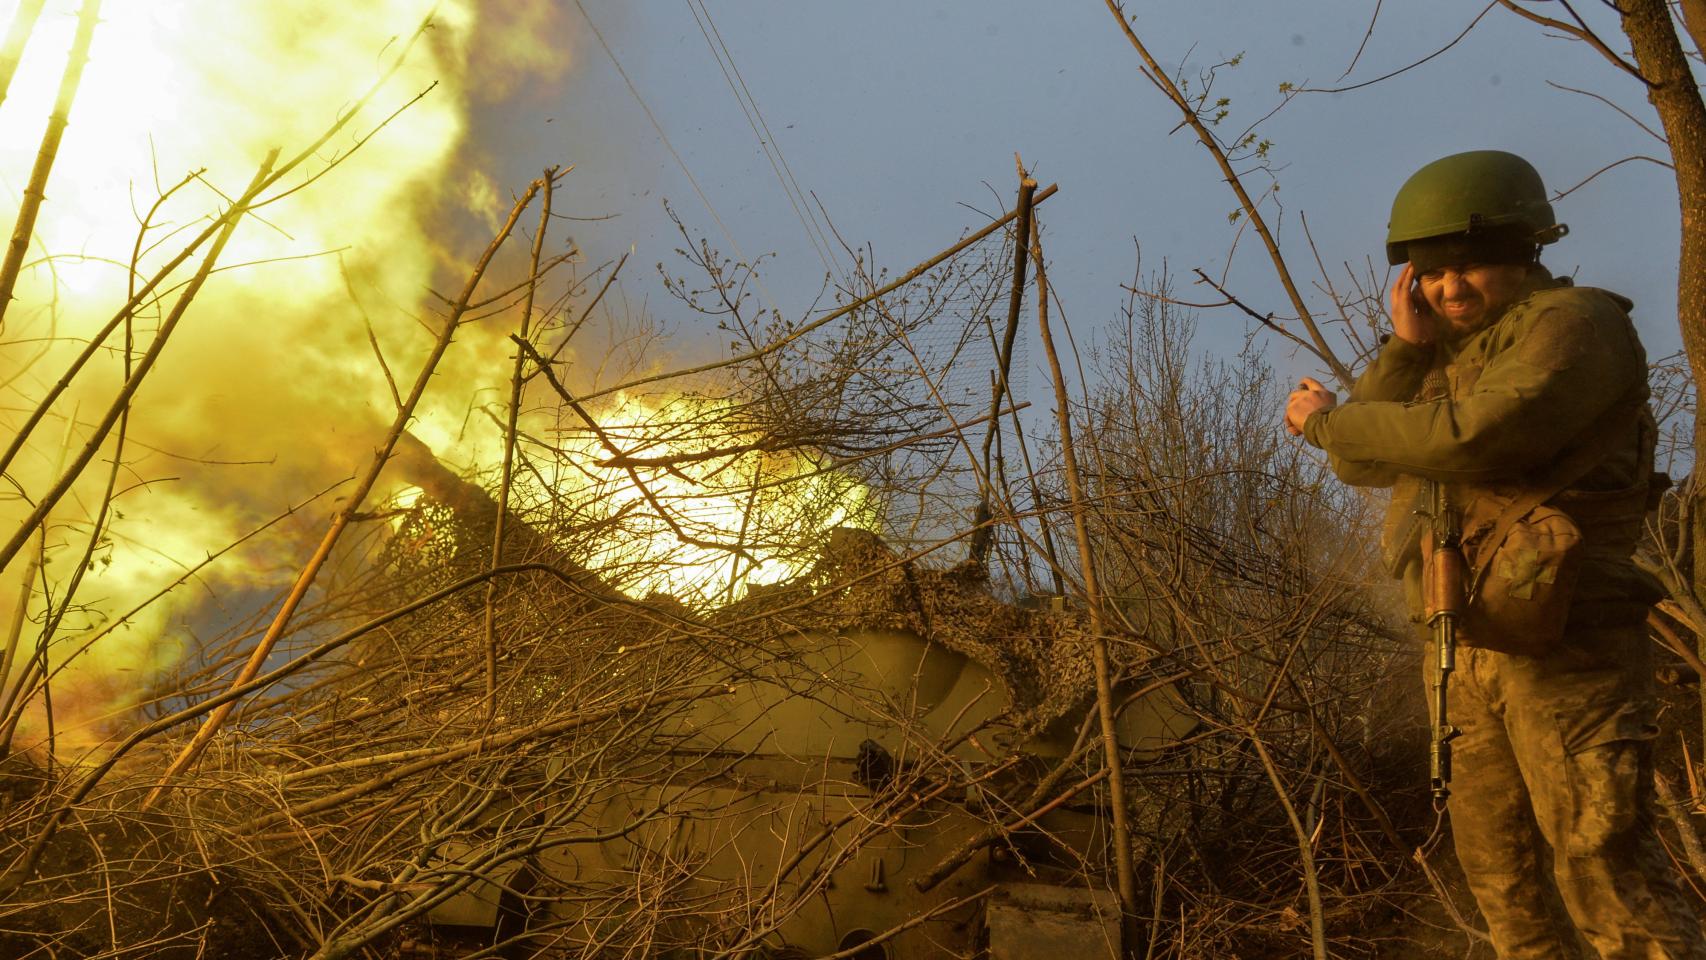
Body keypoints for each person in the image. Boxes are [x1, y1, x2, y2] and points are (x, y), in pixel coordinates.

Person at [1284, 150, 1704, 959]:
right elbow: (1361, 462)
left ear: (1523, 251)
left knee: (1601, 864)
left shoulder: (1575, 324)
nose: (1449, 288)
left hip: (1569, 644)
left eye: (1467, 264)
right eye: (1430, 272)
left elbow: (1474, 438)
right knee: (1504, 881)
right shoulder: (1448, 355)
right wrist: (1405, 352)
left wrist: (1328, 421)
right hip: (1470, 646)